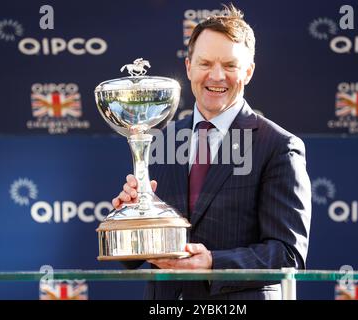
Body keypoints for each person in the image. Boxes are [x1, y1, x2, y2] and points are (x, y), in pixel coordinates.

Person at [112, 4, 311, 300]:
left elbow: (288, 254)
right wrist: (129, 219)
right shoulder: (160, 138)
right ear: (189, 66)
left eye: (230, 66)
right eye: (205, 63)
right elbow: (134, 256)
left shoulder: (279, 146)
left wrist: (213, 263)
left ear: (248, 71)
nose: (216, 76)